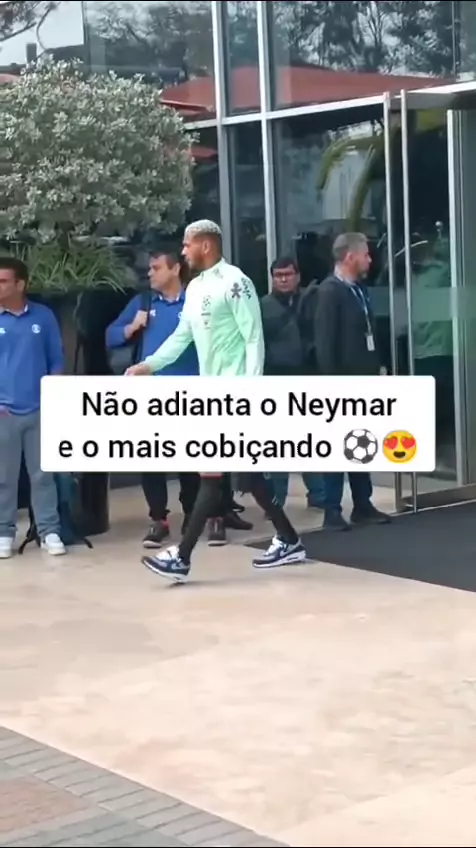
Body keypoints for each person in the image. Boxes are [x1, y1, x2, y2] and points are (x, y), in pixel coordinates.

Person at [126, 220, 307, 583]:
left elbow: (253, 338)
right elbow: (183, 335)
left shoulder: (236, 282)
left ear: (205, 245)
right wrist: (149, 365)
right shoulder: (195, 288)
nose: (183, 251)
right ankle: (288, 539)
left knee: (211, 476)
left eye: (187, 244)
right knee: (247, 476)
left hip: (235, 395)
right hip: (212, 395)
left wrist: (250, 391)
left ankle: (182, 557)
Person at [106, 248, 251, 548]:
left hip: (194, 392)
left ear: (175, 269)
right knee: (152, 459)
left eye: (156, 267)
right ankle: (158, 519)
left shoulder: (198, 301)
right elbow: (110, 335)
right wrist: (132, 327)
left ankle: (194, 515)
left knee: (194, 459)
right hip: (153, 394)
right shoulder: (144, 302)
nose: (150, 273)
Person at [314, 233, 391, 531]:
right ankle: (331, 509)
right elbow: (325, 342)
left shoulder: (359, 289)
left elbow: (369, 332)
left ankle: (362, 504)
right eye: (365, 254)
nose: (370, 260)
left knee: (361, 441)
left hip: (364, 381)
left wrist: (379, 367)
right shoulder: (329, 292)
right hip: (340, 386)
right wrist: (333, 385)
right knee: (336, 447)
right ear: (350, 257)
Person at [0, 257, 66, 558]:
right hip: (4, 412)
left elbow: (56, 359)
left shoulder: (43, 316)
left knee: (43, 474)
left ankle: (49, 531)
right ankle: (4, 533)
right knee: (4, 477)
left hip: (39, 409)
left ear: (20, 284)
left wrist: (53, 395)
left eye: (3, 281)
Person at [261, 256, 325, 510]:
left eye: (288, 274)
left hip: (308, 378)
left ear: (297, 276)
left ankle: (318, 495)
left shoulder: (311, 301)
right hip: (275, 380)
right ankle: (275, 500)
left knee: (310, 441)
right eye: (278, 275)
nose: (283, 279)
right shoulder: (263, 306)